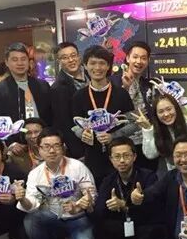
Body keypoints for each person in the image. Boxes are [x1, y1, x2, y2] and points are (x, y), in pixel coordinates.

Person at [17, 128, 97, 239]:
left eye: (56, 146)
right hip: (52, 216)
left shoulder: (77, 167)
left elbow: (91, 194)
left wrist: (78, 205)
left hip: (78, 217)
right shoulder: (35, 174)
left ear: (63, 147)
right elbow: (31, 205)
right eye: (46, 146)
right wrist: (22, 199)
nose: (52, 151)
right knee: (31, 219)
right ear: (39, 150)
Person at [93, 136, 164, 239]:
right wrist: (108, 206)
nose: (122, 161)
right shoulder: (109, 180)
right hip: (124, 223)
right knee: (101, 227)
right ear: (111, 159)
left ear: (134, 156)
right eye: (117, 157)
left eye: (126, 155)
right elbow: (99, 210)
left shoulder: (148, 176)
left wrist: (125, 205)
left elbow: (155, 209)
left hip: (145, 224)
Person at [72, 45, 137, 187]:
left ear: (108, 66)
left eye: (102, 63)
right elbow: (74, 125)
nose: (97, 68)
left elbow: (133, 123)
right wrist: (82, 133)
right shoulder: (79, 96)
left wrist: (114, 136)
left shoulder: (121, 94)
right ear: (85, 65)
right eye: (93, 63)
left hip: (119, 159)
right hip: (92, 157)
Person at [0, 42, 53, 152]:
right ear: (7, 62)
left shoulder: (42, 86)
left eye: (23, 59)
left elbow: (51, 116)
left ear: (29, 62)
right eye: (15, 59)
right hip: (17, 147)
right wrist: (11, 143)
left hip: (44, 144)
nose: (20, 63)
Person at [111, 41, 158, 171]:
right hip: (122, 145)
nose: (139, 61)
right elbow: (111, 111)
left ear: (148, 61)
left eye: (143, 58)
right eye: (135, 57)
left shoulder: (149, 84)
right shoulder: (113, 81)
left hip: (145, 143)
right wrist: (125, 88)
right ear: (127, 58)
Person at [133, 93, 187, 172]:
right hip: (170, 172)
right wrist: (148, 129)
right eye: (161, 112)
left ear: (176, 108)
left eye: (169, 109)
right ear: (156, 115)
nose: (166, 114)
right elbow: (150, 155)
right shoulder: (156, 129)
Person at [51, 42, 88, 158]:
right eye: (65, 57)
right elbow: (65, 124)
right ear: (59, 61)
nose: (71, 60)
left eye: (73, 55)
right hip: (81, 146)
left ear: (79, 56)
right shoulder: (58, 88)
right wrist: (79, 153)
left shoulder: (90, 74)